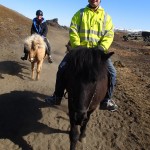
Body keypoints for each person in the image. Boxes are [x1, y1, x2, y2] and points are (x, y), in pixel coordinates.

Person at [45, 0, 118, 111]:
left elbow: (109, 34)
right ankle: (57, 96)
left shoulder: (106, 17)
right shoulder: (80, 13)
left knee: (112, 72)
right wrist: (77, 46)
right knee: (62, 68)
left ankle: (106, 100)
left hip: (97, 53)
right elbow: (73, 29)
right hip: (80, 51)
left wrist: (101, 47)